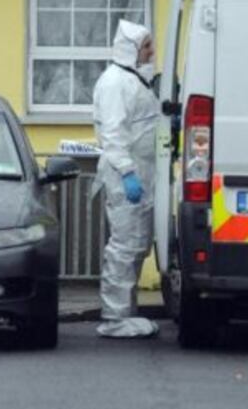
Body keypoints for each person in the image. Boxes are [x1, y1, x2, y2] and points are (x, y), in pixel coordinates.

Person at [92, 20, 160, 338]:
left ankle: (126, 311)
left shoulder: (134, 81)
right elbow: (113, 134)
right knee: (123, 246)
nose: (151, 52)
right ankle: (114, 317)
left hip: (141, 174)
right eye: (146, 46)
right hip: (126, 176)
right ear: (131, 50)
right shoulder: (115, 83)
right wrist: (128, 172)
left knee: (136, 246)